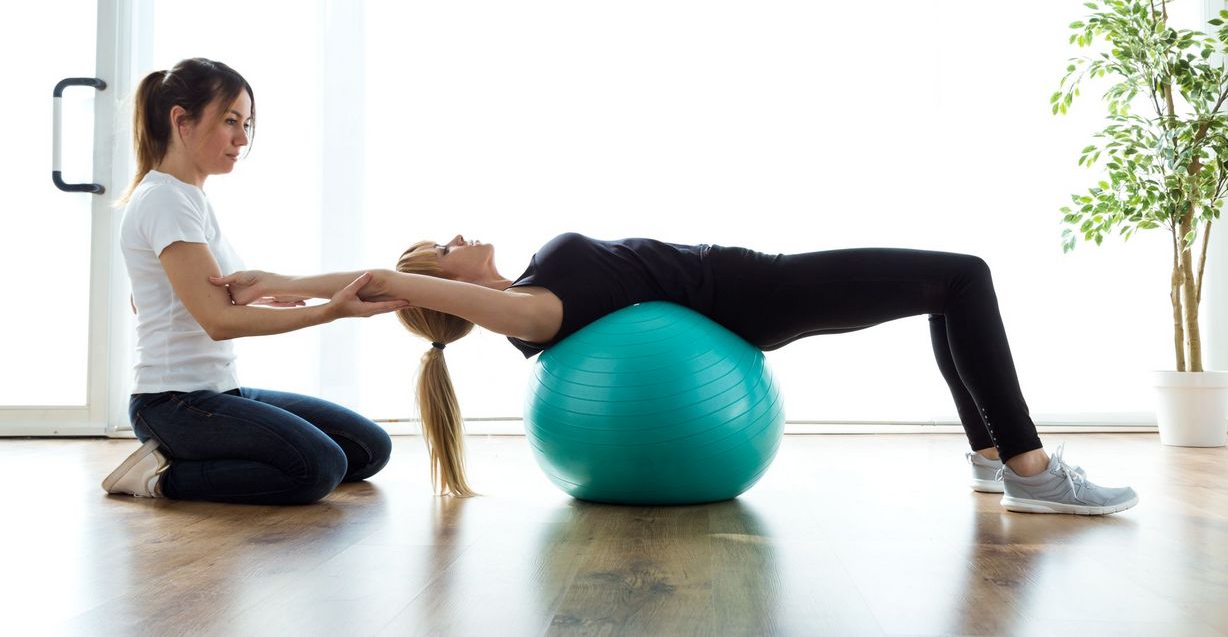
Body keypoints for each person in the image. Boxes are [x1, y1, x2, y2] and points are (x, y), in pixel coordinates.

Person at [213, 232, 1139, 515]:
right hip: (757, 298)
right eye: (443, 251)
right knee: (962, 278)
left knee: (945, 291)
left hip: (749, 287)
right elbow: (390, 282)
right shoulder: (535, 317)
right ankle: (1029, 470)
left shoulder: (531, 290)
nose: (457, 237)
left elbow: (394, 276)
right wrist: (295, 286)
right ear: (445, 289)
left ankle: (992, 458)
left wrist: (292, 283)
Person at [100, 58, 408, 504]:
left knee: (367, 449)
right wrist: (330, 311)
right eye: (230, 121)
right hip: (171, 404)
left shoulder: (188, 198)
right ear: (181, 121)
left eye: (246, 123)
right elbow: (217, 322)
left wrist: (261, 294)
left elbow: (159, 299)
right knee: (320, 467)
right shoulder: (166, 199)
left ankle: (196, 461)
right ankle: (158, 478)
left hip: (219, 390)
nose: (242, 139)